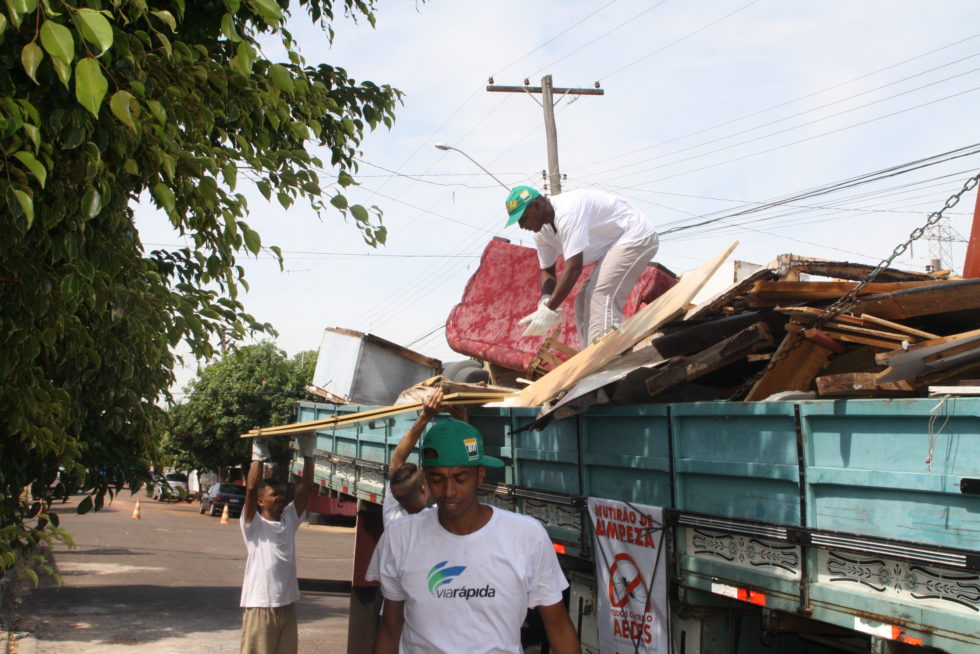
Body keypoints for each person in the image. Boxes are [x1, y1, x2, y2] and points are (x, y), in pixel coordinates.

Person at [366, 418, 580, 654]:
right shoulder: (400, 538)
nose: (448, 492)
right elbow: (390, 628)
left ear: (480, 475)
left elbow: (558, 627)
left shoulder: (526, 536)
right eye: (437, 479)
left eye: (460, 478)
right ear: (425, 478)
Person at [506, 186, 659, 349]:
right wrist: (545, 300)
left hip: (636, 235)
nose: (522, 226)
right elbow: (547, 271)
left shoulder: (568, 212)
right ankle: (589, 355)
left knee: (600, 294)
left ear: (536, 205)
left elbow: (574, 268)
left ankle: (604, 357)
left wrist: (549, 310)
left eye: (523, 218)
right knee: (581, 300)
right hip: (612, 246)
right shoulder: (541, 233)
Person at [239, 434, 316, 654]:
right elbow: (251, 489)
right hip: (261, 605)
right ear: (262, 502)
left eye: (281, 493)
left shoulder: (289, 519)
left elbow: (306, 486)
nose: (280, 497)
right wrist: (258, 457)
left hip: (286, 605)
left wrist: (308, 453)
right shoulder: (253, 525)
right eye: (274, 495)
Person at [383, 387, 467, 526]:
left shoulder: (392, 517)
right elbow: (464, 466)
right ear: (423, 488)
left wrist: (425, 416)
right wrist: (462, 421)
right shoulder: (436, 519)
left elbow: (397, 460)